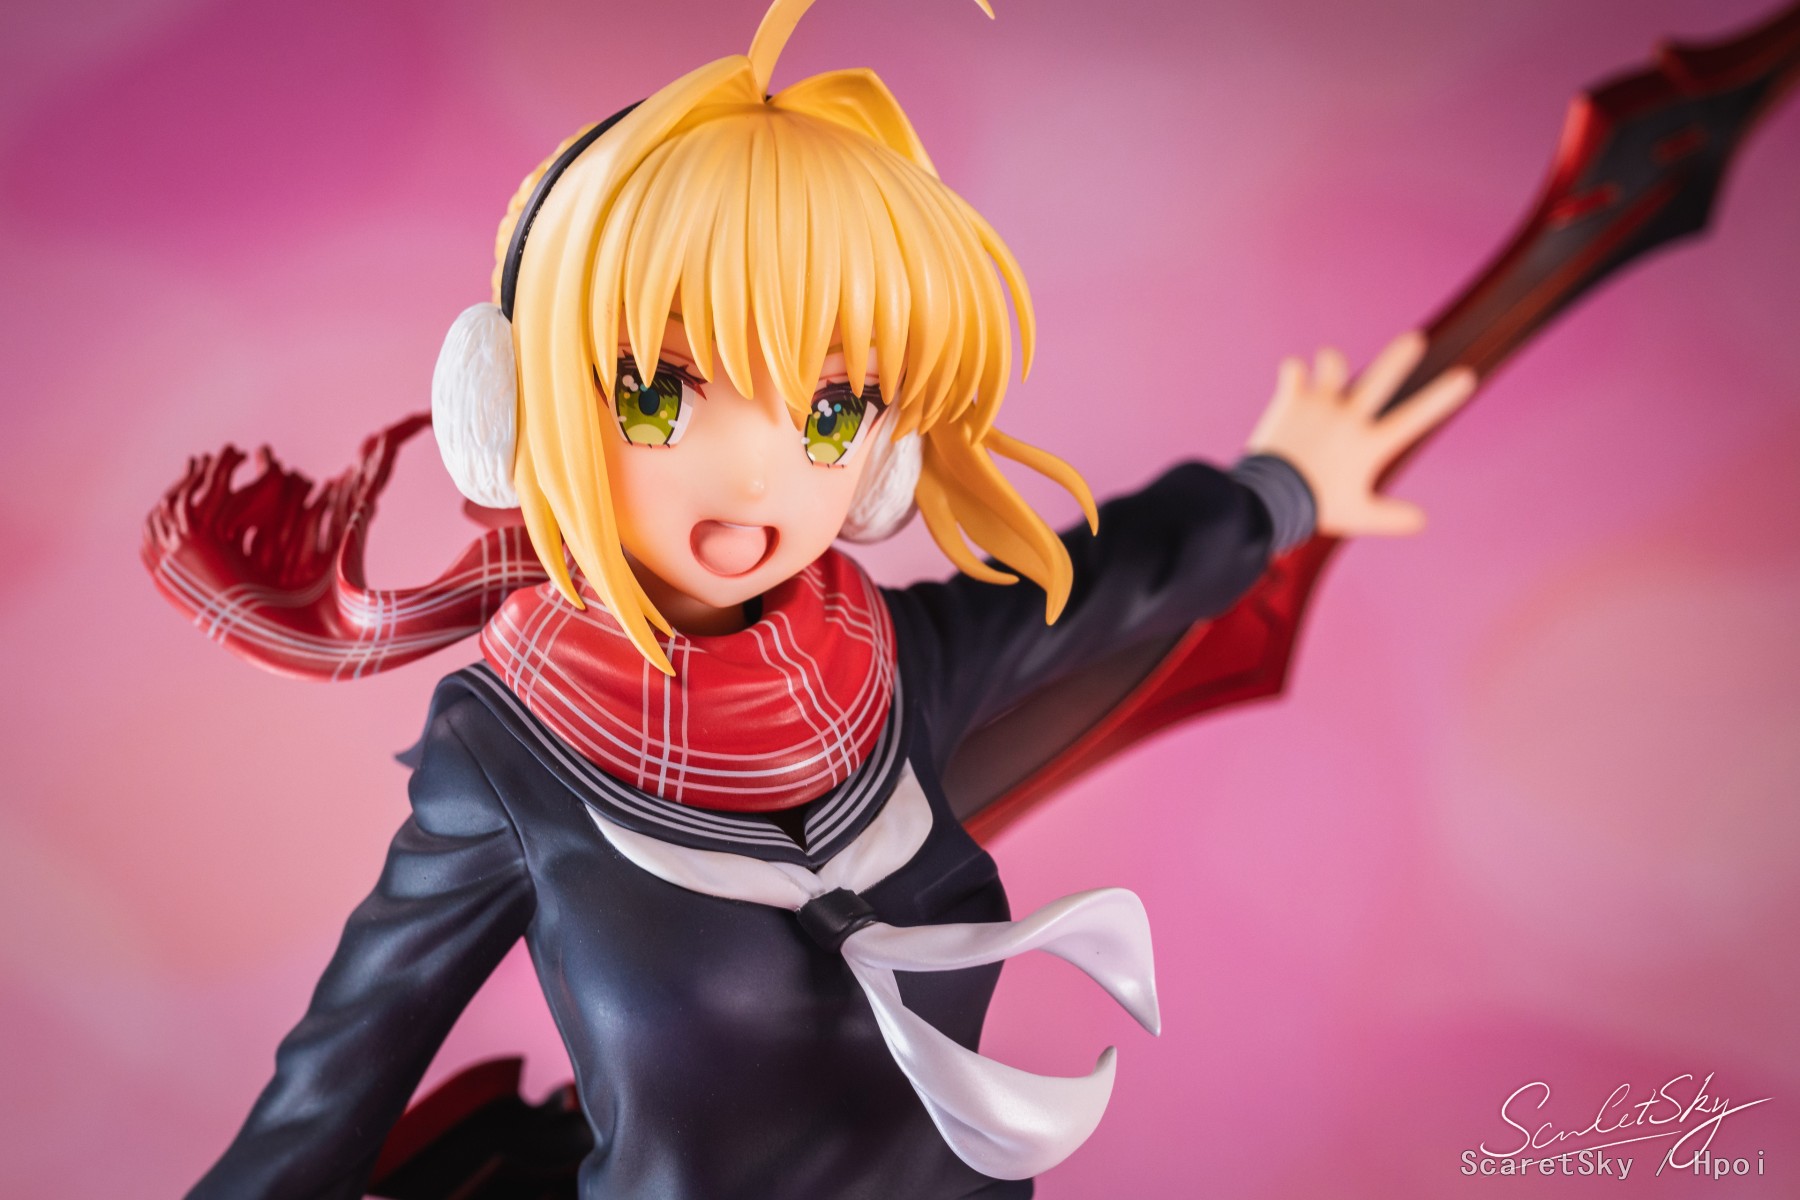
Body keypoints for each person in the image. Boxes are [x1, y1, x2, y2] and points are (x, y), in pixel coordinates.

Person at [147, 0, 1475, 1195]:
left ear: (885, 458)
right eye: (659, 392)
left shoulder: (892, 665)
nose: (757, 475)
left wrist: (1284, 487)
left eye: (834, 411)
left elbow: (1114, 576)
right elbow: (335, 1085)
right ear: (512, 403)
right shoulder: (510, 756)